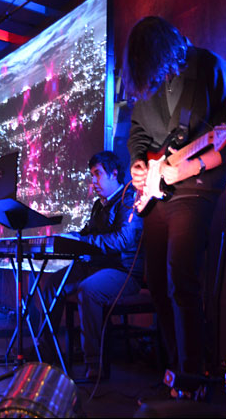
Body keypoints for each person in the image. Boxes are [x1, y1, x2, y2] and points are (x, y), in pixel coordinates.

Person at [122, 16, 226, 393]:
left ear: (164, 49)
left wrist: (189, 166)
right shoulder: (149, 83)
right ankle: (175, 368)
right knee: (158, 284)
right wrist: (139, 164)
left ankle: (196, 376)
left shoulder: (210, 66)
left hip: (198, 187)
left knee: (182, 278)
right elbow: (138, 134)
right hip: (160, 195)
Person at [34, 151, 144, 382]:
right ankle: (46, 353)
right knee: (52, 284)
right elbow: (87, 234)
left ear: (114, 173)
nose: (93, 181)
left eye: (97, 174)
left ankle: (95, 365)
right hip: (97, 267)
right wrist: (68, 237)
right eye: (92, 175)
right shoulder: (99, 205)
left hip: (123, 272)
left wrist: (83, 242)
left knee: (89, 290)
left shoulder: (129, 197)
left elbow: (124, 240)